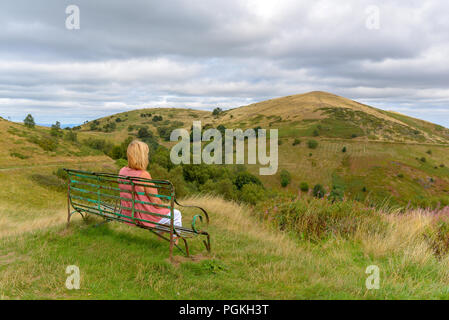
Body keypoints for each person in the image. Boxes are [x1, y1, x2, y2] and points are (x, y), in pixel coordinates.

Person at [118, 140, 182, 235]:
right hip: (142, 216)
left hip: (127, 214)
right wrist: (164, 207)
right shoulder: (143, 175)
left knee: (164, 215)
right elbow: (155, 202)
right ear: (142, 156)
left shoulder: (122, 171)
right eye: (146, 154)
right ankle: (175, 243)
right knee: (176, 214)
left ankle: (160, 240)